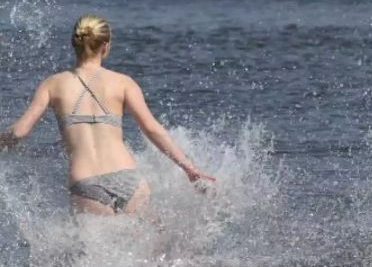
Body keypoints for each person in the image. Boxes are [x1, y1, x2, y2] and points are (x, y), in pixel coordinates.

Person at [0, 14, 215, 215]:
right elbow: (152, 129)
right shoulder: (123, 83)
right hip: (128, 177)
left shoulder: (52, 84)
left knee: (93, 254)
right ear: (106, 46)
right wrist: (189, 168)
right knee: (147, 249)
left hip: (85, 182)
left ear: (73, 44)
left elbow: (19, 132)